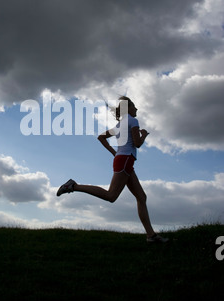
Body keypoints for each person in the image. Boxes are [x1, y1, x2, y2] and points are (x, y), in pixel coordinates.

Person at [56, 96, 168, 243]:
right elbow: (137, 143)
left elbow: (101, 137)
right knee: (111, 196)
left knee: (141, 197)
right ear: (128, 108)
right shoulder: (133, 121)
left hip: (123, 160)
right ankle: (73, 186)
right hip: (125, 160)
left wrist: (114, 153)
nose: (137, 109)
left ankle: (151, 236)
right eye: (134, 106)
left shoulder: (120, 124)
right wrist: (144, 135)